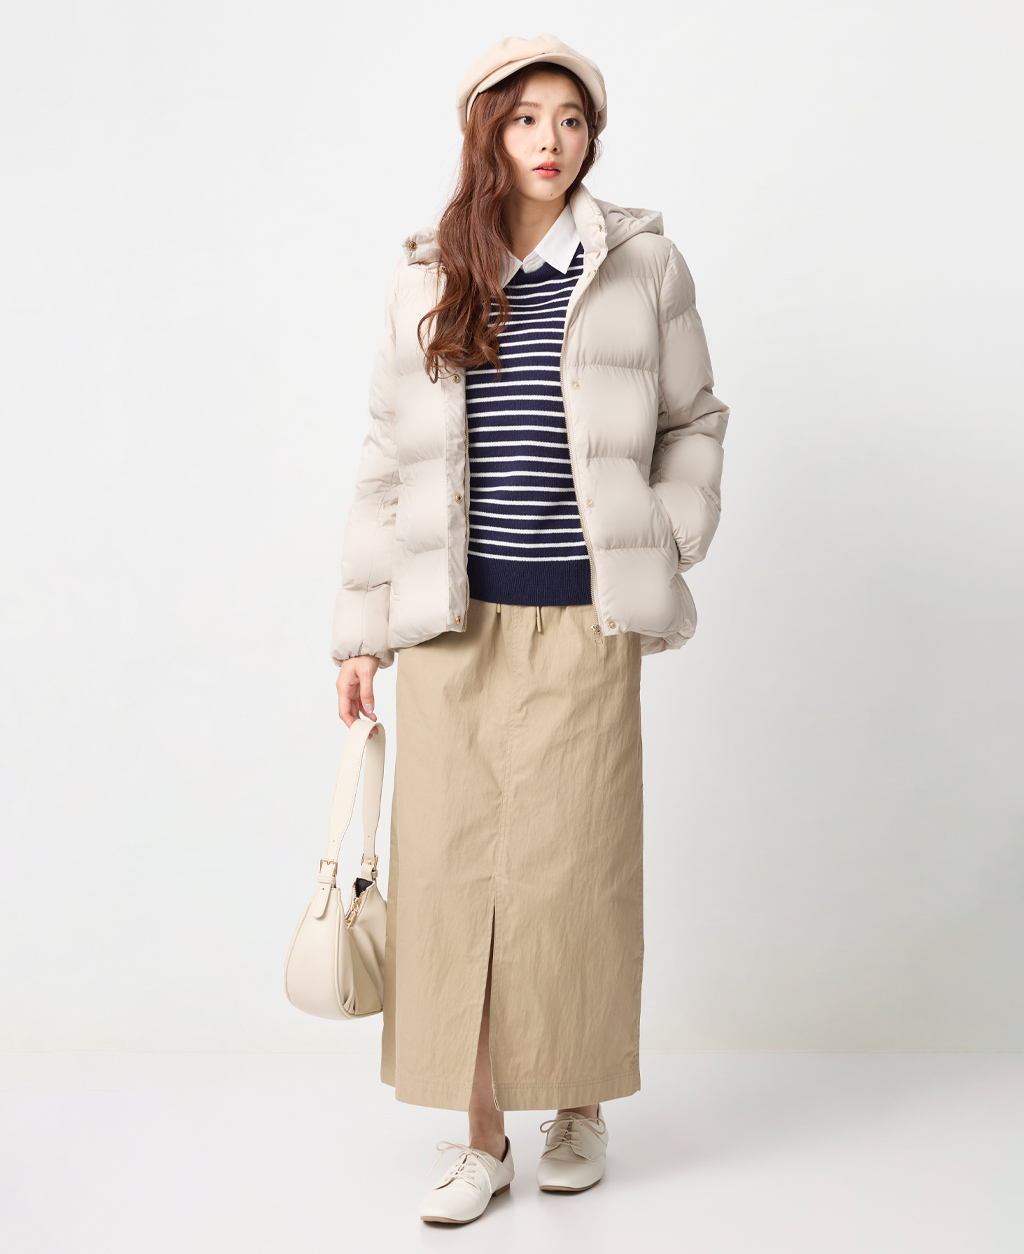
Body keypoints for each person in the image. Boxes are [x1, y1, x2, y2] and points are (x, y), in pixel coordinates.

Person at [331, 34, 729, 1226]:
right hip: (449, 629)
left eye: (569, 118)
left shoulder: (641, 265)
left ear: (590, 136)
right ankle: (480, 1137)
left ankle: (578, 1109)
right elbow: (386, 460)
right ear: (487, 135)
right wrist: (360, 632)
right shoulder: (427, 275)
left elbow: (695, 419)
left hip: (581, 623)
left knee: (573, 875)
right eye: (524, 118)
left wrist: (664, 533)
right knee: (452, 880)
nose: (549, 140)